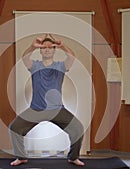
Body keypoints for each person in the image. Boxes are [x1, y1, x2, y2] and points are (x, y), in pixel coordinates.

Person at [8, 34, 85, 166]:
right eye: (44, 48)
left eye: (50, 47)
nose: (47, 49)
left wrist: (63, 46)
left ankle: (73, 157)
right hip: (36, 109)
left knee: (78, 129)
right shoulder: (35, 66)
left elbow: (72, 57)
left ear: (54, 50)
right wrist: (33, 46)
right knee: (14, 128)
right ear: (40, 50)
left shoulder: (60, 66)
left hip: (58, 109)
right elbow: (24, 57)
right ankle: (21, 157)